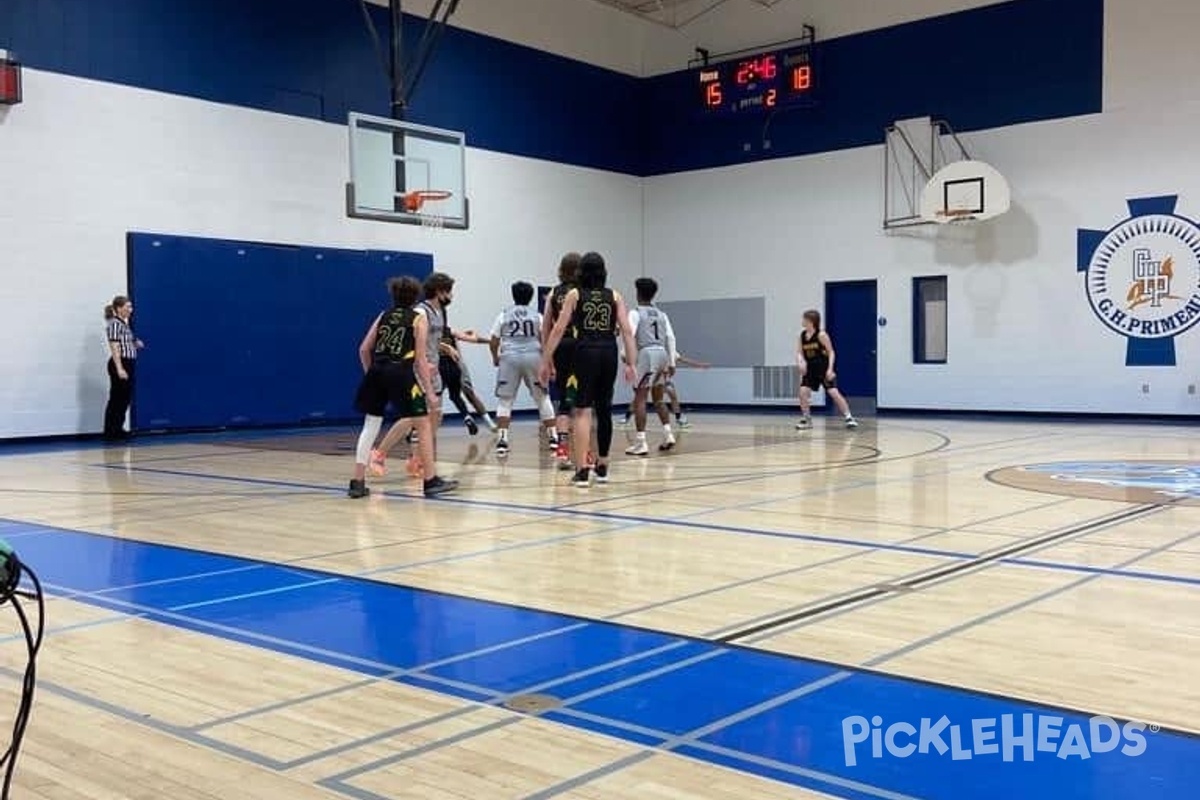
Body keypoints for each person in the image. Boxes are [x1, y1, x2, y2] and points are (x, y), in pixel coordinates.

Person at [348, 276, 457, 498]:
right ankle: (430, 480)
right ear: (415, 296)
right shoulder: (418, 319)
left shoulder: (383, 316)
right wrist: (429, 391)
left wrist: (373, 374)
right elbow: (418, 359)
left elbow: (363, 349)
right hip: (401, 373)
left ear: (394, 295)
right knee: (424, 422)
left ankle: (357, 482)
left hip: (377, 370)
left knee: (371, 424)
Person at [540, 252, 637, 487]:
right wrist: (632, 362)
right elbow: (626, 330)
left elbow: (557, 328)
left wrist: (546, 359)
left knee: (581, 410)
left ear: (581, 272)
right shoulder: (614, 296)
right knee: (604, 409)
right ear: (603, 272)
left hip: (585, 351)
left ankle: (582, 469)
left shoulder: (575, 294)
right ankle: (602, 466)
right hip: (608, 352)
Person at [370, 271, 456, 478]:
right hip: (418, 368)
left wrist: (446, 348)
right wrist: (423, 364)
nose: (452, 296)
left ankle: (415, 459)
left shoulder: (440, 312)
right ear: (439, 291)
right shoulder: (421, 311)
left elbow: (432, 340)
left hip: (433, 367)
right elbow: (413, 341)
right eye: (449, 292)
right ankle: (379, 453)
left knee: (434, 415)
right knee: (412, 416)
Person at [489, 281, 557, 455]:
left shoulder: (503, 315)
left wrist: (495, 357)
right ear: (531, 296)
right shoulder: (538, 316)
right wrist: (549, 363)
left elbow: (494, 339)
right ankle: (553, 438)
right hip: (534, 357)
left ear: (513, 295)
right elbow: (545, 340)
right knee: (542, 397)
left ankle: (502, 440)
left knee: (505, 400)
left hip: (509, 358)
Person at [624, 278, 677, 456]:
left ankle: (641, 442)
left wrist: (626, 355)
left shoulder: (635, 313)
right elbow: (670, 337)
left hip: (647, 354)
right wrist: (672, 362)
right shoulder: (662, 314)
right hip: (662, 353)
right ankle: (668, 434)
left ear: (638, 293)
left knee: (640, 398)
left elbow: (629, 334)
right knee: (658, 399)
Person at [542, 252, 582, 468]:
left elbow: (546, 327)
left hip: (560, 347)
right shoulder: (581, 292)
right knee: (583, 403)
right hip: (580, 347)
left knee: (564, 401)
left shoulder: (553, 293)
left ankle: (562, 450)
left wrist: (547, 358)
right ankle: (584, 453)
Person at [796, 309, 859, 429]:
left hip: (823, 369)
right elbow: (799, 352)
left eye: (804, 319)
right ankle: (806, 420)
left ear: (811, 321)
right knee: (802, 392)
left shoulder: (821, 335)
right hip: (810, 370)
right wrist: (801, 362)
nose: (802, 321)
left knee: (833, 392)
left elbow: (831, 352)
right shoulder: (802, 336)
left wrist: (830, 369)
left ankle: (849, 417)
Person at [103, 295, 143, 442]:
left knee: (124, 398)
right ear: (119, 309)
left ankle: (118, 428)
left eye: (130, 307)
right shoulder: (114, 324)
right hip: (120, 363)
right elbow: (114, 347)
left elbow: (127, 342)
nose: (130, 310)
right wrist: (119, 368)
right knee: (117, 398)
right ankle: (111, 431)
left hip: (128, 362)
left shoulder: (124, 324)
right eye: (128, 307)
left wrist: (135, 343)